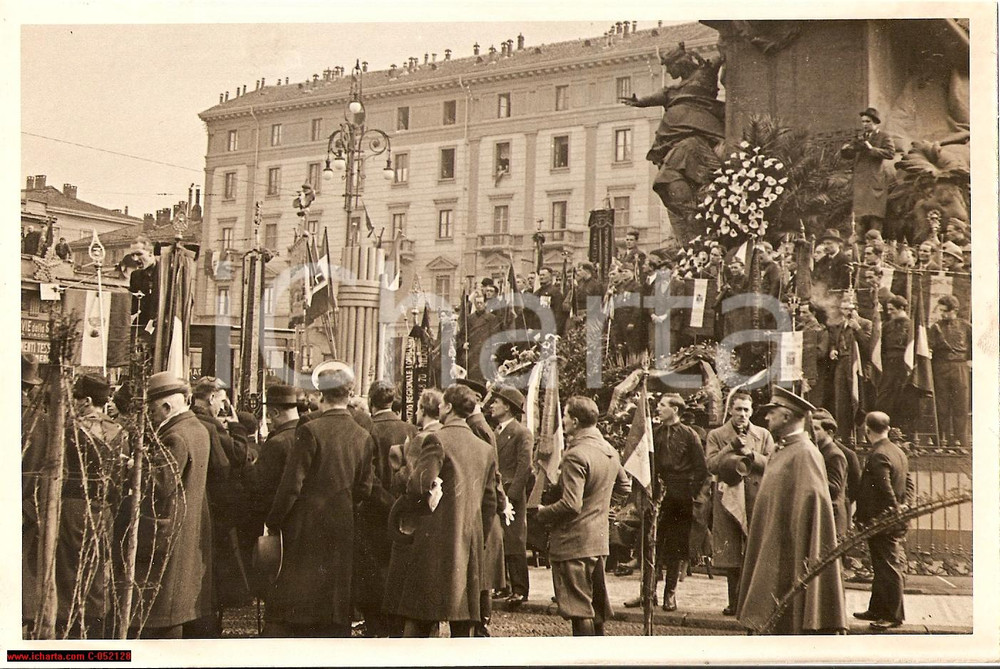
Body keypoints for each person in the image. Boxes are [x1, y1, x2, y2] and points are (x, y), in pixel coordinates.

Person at [265, 363, 375, 637]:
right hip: (342, 525)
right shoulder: (362, 436)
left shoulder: (311, 431)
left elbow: (292, 485)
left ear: (321, 396)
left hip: (306, 526)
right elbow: (365, 488)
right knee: (334, 602)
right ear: (349, 395)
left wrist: (274, 521)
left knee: (303, 603)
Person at [390, 384, 498, 637]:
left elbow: (419, 485)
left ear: (448, 407)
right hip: (469, 540)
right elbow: (490, 501)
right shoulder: (485, 448)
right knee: (463, 626)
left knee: (420, 619)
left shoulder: (436, 439)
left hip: (434, 539)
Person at [737, 386, 847, 634]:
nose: (766, 418)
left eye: (771, 413)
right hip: (774, 548)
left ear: (786, 416)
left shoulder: (805, 453)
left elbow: (811, 513)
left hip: (789, 554)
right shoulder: (782, 448)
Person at [537, 396, 631, 636]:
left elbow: (570, 504)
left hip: (573, 541)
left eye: (566, 416)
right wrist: (602, 511)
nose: (564, 421)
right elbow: (624, 487)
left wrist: (542, 514)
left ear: (576, 421)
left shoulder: (576, 454)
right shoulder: (608, 449)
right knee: (595, 607)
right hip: (596, 540)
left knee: (578, 608)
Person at [135, 372, 213, 639]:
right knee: (175, 609)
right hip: (188, 530)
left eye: (153, 408)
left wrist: (134, 468)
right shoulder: (198, 429)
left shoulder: (175, 436)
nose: (150, 415)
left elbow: (160, 485)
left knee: (162, 615)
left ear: (167, 407)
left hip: (168, 533)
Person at [56, 374, 126, 638]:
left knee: (69, 572)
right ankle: (96, 630)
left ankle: (70, 631)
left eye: (76, 399)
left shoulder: (69, 430)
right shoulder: (118, 431)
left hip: (72, 507)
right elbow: (119, 479)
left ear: (86, 401)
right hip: (104, 509)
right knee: (98, 571)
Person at [705, 389, 775, 616]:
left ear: (752, 411)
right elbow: (712, 465)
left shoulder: (763, 435)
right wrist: (731, 446)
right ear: (730, 410)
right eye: (738, 409)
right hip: (728, 498)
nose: (742, 414)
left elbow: (772, 463)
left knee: (754, 548)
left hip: (755, 497)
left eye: (746, 410)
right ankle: (734, 601)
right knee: (732, 552)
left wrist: (751, 454)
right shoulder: (716, 435)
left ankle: (752, 600)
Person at [357, 380, 417, 637]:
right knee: (399, 569)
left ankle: (376, 627)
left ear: (371, 401)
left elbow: (367, 477)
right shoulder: (411, 430)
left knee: (373, 572)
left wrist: (386, 504)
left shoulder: (367, 430)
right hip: (405, 514)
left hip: (374, 512)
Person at [243, 384, 299, 634]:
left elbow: (259, 487)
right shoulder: (308, 433)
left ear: (275, 413)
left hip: (278, 529)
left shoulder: (277, 443)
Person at [853, 411, 910, 630]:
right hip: (891, 518)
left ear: (867, 430)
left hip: (882, 520)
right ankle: (877, 608)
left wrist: (893, 512)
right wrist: (904, 507)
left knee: (888, 566)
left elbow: (885, 489)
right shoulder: (898, 451)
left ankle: (893, 615)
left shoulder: (877, 454)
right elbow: (909, 482)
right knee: (881, 564)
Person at [651, 393, 708, 611]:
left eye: (662, 405)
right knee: (652, 544)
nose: (658, 408)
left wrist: (688, 492)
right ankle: (649, 594)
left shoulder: (689, 435)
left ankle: (670, 595)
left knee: (675, 548)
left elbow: (702, 469)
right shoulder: (655, 433)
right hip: (657, 495)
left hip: (680, 498)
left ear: (675, 410)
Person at [489, 385, 533, 608]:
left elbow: (524, 467)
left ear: (507, 407)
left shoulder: (521, 432)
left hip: (511, 496)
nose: (492, 405)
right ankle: (503, 585)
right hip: (498, 492)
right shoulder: (496, 432)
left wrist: (511, 497)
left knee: (514, 540)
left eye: (496, 402)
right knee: (499, 539)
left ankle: (519, 588)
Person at [840, 107, 896, 237]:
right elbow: (850, 154)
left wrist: (871, 148)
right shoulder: (860, 138)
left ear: (875, 123)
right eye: (863, 122)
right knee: (859, 219)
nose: (864, 124)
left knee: (874, 218)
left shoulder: (884, 137)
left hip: (875, 183)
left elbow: (890, 153)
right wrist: (846, 149)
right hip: (861, 183)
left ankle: (875, 247)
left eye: (868, 122)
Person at [828, 296, 873, 444]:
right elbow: (835, 342)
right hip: (842, 364)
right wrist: (833, 350)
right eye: (844, 309)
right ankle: (843, 435)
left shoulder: (865, 324)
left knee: (858, 400)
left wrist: (857, 329)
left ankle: (860, 437)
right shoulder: (840, 325)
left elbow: (868, 348)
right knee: (841, 401)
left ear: (856, 309)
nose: (847, 312)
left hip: (858, 366)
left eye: (850, 309)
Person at [928, 295, 972, 447]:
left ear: (955, 310)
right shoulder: (935, 327)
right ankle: (941, 440)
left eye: (945, 311)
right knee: (942, 405)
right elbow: (929, 346)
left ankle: (961, 442)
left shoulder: (966, 326)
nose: (942, 314)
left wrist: (970, 360)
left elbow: (973, 345)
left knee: (961, 404)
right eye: (940, 311)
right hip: (940, 366)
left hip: (960, 366)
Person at [875, 295, 913, 433]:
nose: (889, 312)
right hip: (888, 365)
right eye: (887, 309)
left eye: (892, 309)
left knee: (902, 398)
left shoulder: (911, 326)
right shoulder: (887, 326)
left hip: (904, 365)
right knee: (884, 398)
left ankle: (901, 431)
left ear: (901, 308)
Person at [811, 409, 849, 539]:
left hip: (834, 516)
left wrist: (809, 475)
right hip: (825, 513)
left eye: (816, 429)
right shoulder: (820, 451)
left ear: (830, 432)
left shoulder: (834, 455)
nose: (812, 432)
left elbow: (834, 488)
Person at [534, 267, 567, 335]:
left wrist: (555, 330)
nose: (541, 277)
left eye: (544, 275)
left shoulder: (555, 293)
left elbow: (558, 313)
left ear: (550, 277)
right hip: (537, 329)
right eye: (540, 275)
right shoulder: (536, 293)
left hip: (549, 329)